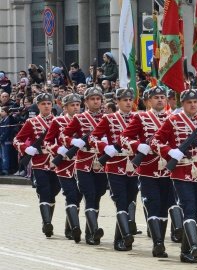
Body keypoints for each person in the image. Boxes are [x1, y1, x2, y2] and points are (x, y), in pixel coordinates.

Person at [151, 89, 197, 263]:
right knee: (188, 207)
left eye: (195, 102)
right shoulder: (173, 120)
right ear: (182, 104)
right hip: (181, 170)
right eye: (189, 102)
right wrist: (171, 152)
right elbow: (156, 141)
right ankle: (194, 246)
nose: (193, 105)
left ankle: (186, 251)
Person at [121, 86, 174, 258]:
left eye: (162, 97)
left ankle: (161, 240)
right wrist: (138, 146)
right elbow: (124, 137)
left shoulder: (173, 118)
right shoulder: (141, 117)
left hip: (168, 169)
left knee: (164, 207)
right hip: (148, 169)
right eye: (156, 97)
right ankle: (157, 243)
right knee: (153, 204)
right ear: (148, 101)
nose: (160, 100)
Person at [90, 88, 139, 252]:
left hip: (132, 165)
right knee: (121, 201)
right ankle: (122, 238)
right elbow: (93, 137)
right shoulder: (109, 119)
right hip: (115, 165)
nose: (127, 103)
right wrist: (106, 147)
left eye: (129, 100)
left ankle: (123, 236)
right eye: (124, 100)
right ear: (117, 102)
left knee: (130, 199)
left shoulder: (137, 118)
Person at [61, 87, 107, 246]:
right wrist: (74, 142)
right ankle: (94, 231)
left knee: (98, 195)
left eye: (98, 99)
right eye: (92, 99)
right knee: (89, 194)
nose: (96, 101)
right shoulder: (79, 118)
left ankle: (89, 231)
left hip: (101, 163)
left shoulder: (107, 118)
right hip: (83, 163)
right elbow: (64, 135)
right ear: (86, 102)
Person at [13, 93, 59, 238]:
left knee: (54, 192)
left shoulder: (59, 121)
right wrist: (26, 149)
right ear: (38, 106)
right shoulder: (31, 122)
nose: (46, 106)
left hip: (56, 163)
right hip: (39, 162)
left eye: (49, 103)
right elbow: (17, 140)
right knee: (44, 191)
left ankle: (48, 220)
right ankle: (46, 223)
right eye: (43, 103)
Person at [43, 93, 84, 243]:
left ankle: (69, 228)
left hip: (81, 163)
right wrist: (58, 150)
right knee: (70, 194)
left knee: (79, 196)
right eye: (72, 105)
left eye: (78, 105)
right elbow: (47, 141)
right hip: (64, 164)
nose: (76, 108)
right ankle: (75, 227)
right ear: (65, 107)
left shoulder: (85, 120)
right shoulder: (58, 121)